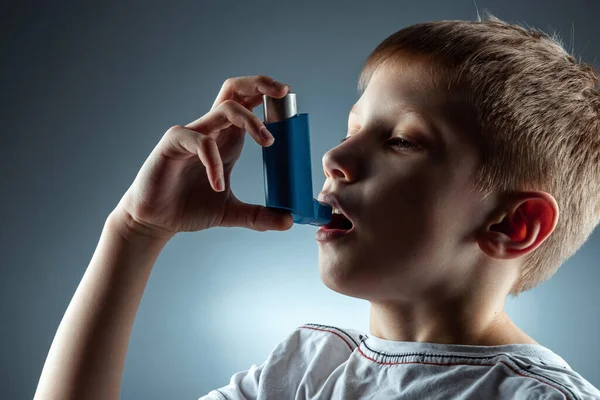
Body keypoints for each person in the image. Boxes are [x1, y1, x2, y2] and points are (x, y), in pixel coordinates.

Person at [34, 15, 600, 399]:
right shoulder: (306, 369)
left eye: (402, 140)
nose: (334, 156)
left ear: (513, 224)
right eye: (353, 129)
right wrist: (134, 231)